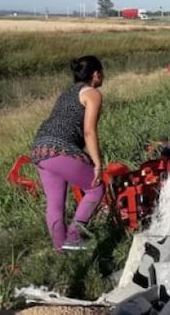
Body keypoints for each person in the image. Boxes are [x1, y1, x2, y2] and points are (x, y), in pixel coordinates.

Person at [31, 55, 106, 251]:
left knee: (55, 203)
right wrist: (97, 164)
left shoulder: (67, 93)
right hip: (60, 148)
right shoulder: (92, 94)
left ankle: (61, 249)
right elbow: (89, 131)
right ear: (96, 74)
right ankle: (73, 236)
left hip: (40, 149)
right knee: (96, 189)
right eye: (102, 73)